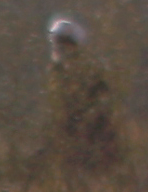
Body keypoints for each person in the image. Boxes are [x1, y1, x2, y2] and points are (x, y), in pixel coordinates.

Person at [45, 14, 124, 173]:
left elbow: (101, 104)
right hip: (67, 135)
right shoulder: (57, 71)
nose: (59, 47)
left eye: (63, 43)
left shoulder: (87, 70)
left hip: (89, 134)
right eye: (56, 42)